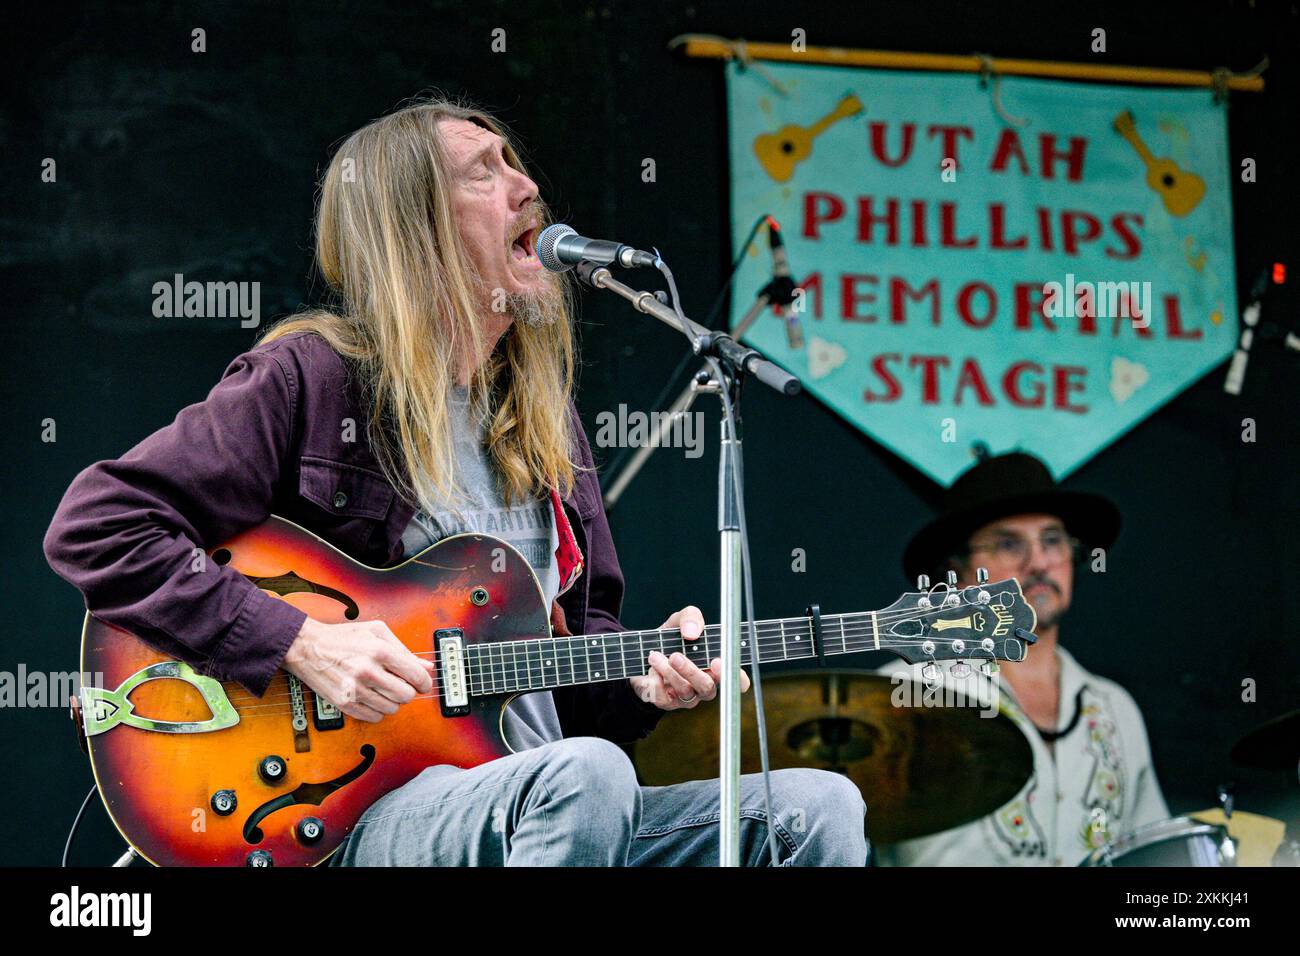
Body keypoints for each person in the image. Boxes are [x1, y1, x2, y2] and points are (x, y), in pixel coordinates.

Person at [43, 94, 867, 867]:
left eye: (518, 163)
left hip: (546, 794)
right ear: (412, 226)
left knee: (817, 808)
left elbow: (575, 703)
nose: (528, 187)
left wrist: (646, 683)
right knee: (585, 780)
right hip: (351, 805)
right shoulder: (312, 379)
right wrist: (299, 641)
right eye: (486, 169)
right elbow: (99, 525)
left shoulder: (549, 429)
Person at [875, 451, 1168, 866]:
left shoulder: (1116, 707)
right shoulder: (906, 690)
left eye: (1052, 540)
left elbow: (1154, 856)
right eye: (1009, 544)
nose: (1038, 562)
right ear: (956, 571)